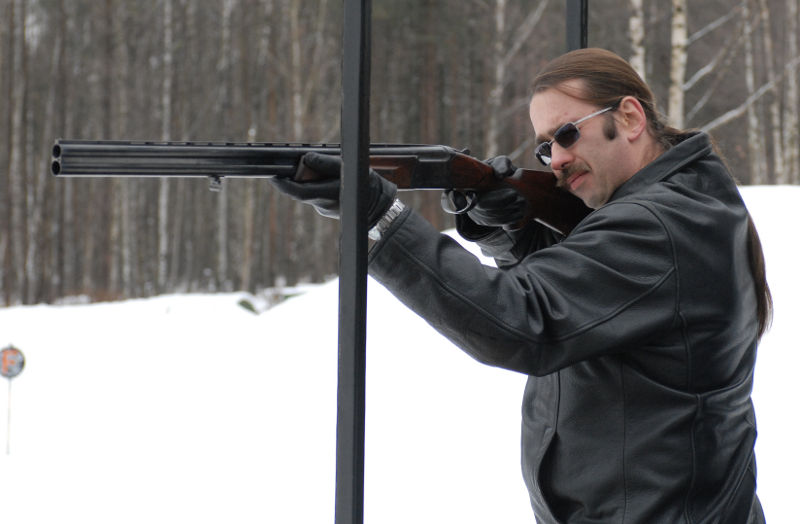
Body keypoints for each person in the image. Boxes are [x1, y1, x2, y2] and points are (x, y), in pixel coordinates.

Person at [271, 48, 771, 523]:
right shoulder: (684, 203)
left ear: (629, 118)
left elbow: (524, 322)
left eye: (567, 134)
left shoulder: (656, 225)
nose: (555, 160)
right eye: (545, 146)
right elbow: (592, 305)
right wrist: (510, 231)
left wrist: (381, 217)